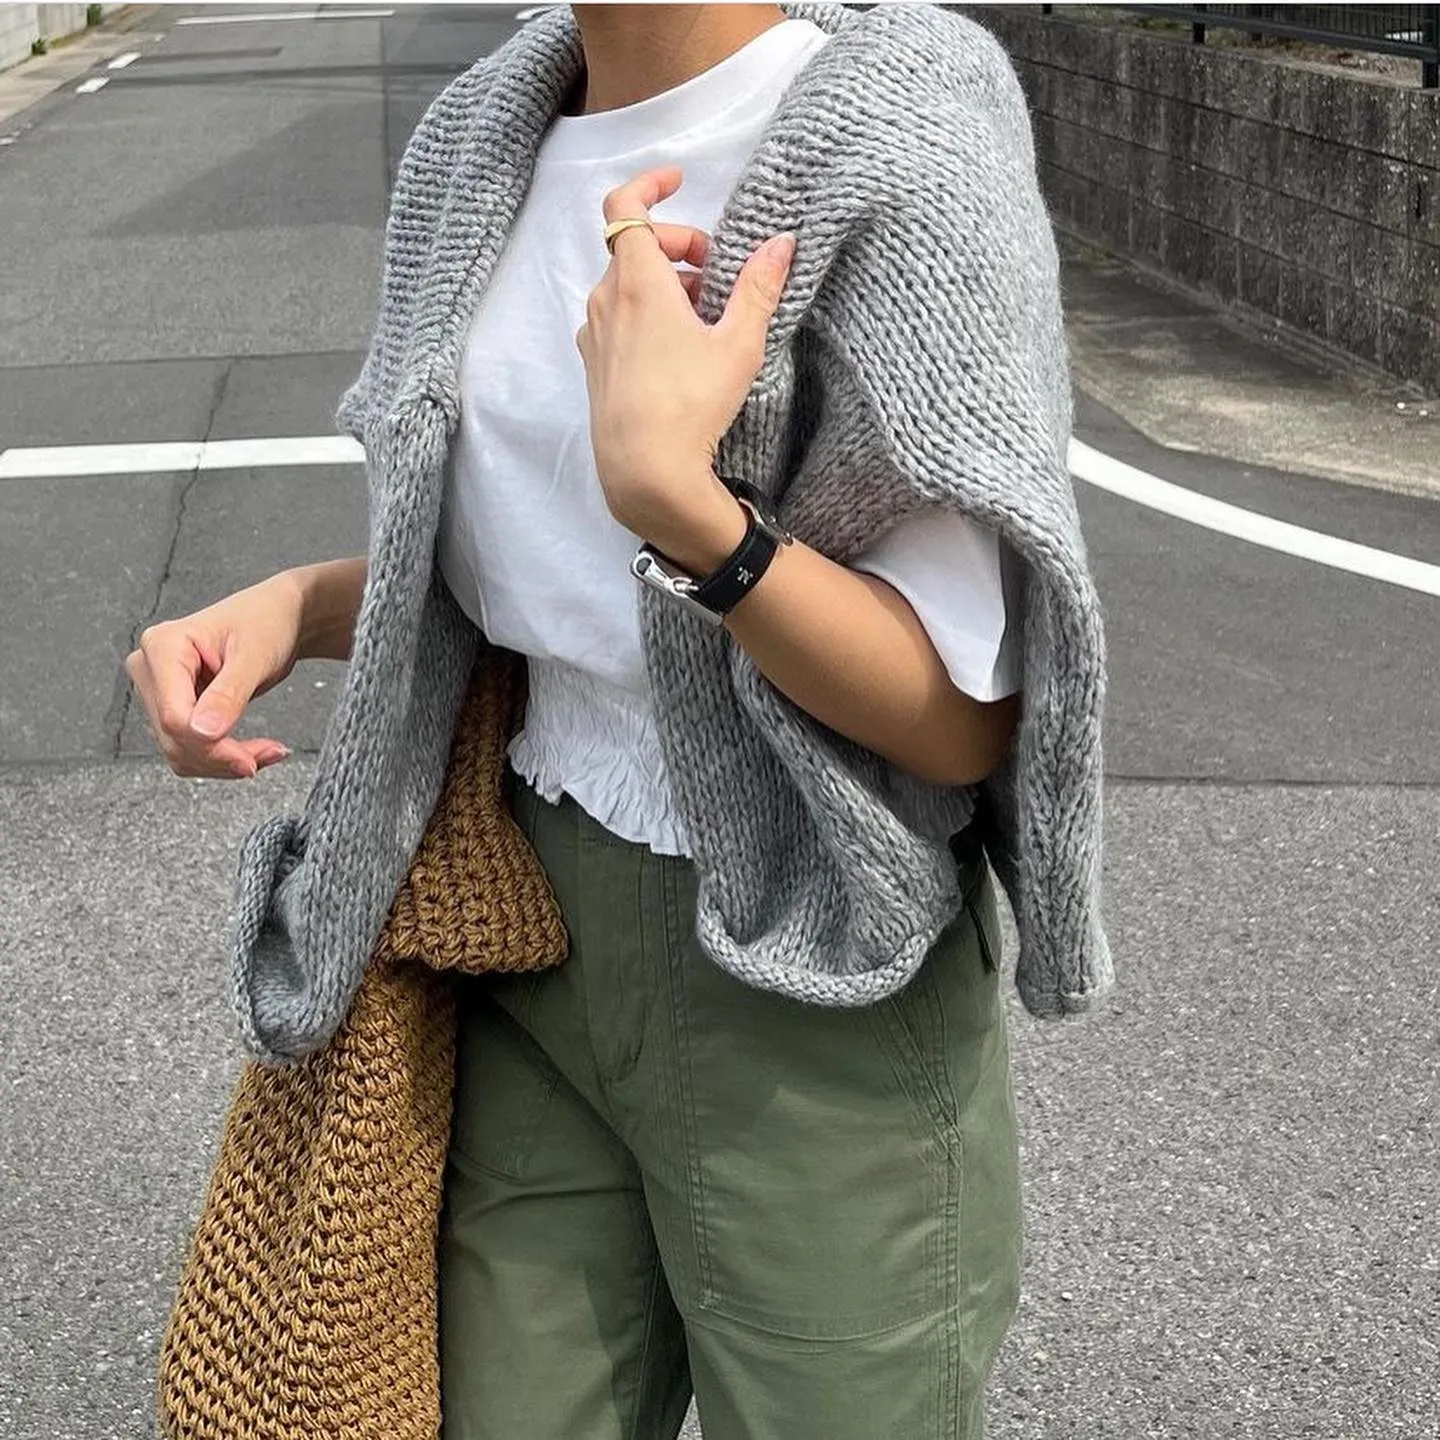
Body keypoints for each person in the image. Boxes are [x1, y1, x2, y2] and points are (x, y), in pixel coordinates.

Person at [126, 3, 1111, 1437]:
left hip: (810, 968)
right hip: (523, 922)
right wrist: (299, 606)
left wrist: (689, 512)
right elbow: (527, 576)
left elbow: (962, 721)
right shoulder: (480, 134)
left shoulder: (902, 130)